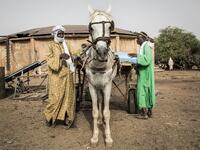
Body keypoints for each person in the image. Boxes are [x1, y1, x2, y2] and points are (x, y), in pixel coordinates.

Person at [44, 25, 77, 128]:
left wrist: (75, 56)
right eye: (59, 34)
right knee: (55, 98)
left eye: (62, 34)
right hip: (56, 76)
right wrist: (59, 56)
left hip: (68, 75)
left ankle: (67, 118)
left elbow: (75, 53)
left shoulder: (67, 44)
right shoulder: (50, 45)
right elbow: (49, 59)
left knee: (68, 98)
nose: (61, 35)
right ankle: (49, 117)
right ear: (55, 34)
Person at [136, 32, 156, 119]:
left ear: (143, 39)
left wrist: (136, 57)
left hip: (145, 73)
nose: (137, 40)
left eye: (138, 38)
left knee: (142, 91)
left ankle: (144, 114)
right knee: (148, 90)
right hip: (145, 72)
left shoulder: (146, 46)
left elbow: (147, 60)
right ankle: (149, 112)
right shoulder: (144, 46)